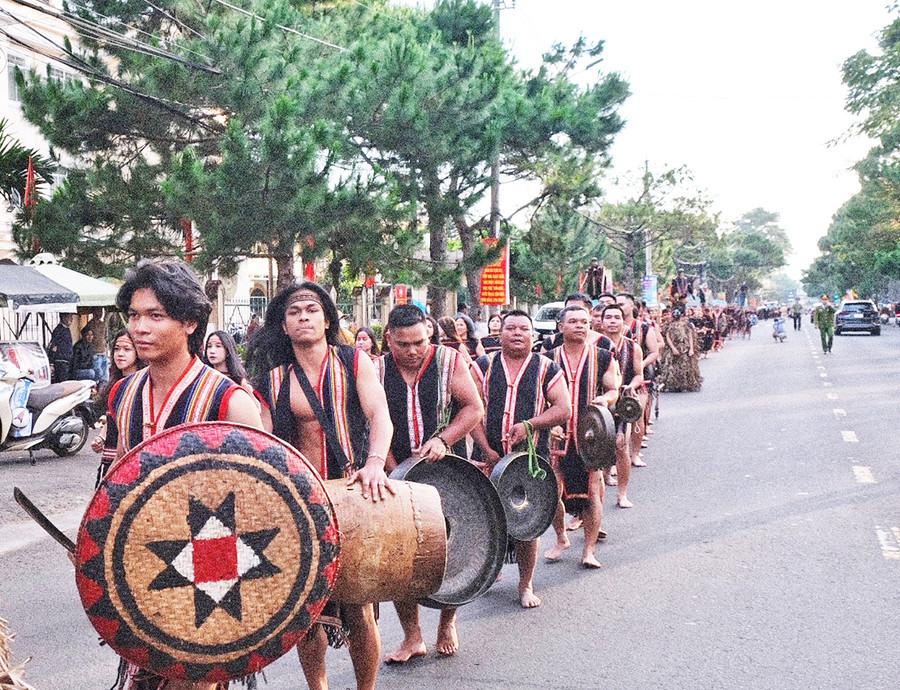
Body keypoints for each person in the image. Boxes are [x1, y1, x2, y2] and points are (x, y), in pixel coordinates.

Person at [107, 260, 263, 690]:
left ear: (190, 321)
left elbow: (266, 505)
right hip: (142, 566)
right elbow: (120, 481)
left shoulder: (230, 401)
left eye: (156, 316)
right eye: (134, 315)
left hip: (216, 571)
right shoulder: (124, 393)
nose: (140, 328)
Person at [247, 281, 393, 690]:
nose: (304, 317)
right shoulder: (273, 380)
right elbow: (262, 440)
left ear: (327, 319)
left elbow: (380, 416)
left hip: (351, 496)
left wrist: (376, 464)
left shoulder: (354, 362)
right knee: (304, 615)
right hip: (300, 504)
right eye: (295, 312)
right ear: (285, 325)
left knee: (360, 608)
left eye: (312, 309)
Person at [374, 304, 483, 663]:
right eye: (402, 344)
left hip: (449, 472)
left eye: (419, 342)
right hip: (394, 473)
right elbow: (371, 421)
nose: (411, 350)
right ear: (389, 337)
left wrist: (444, 440)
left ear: (429, 334)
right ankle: (412, 635)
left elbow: (472, 408)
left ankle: (447, 622)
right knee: (401, 557)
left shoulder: (450, 361)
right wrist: (392, 467)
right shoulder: (374, 368)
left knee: (452, 548)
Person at [469, 310, 571, 608]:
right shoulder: (483, 366)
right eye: (510, 328)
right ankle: (489, 571)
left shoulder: (546, 368)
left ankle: (526, 585)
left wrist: (531, 425)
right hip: (486, 457)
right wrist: (485, 447)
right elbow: (471, 410)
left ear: (532, 335)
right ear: (499, 334)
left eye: (523, 329)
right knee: (487, 518)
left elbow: (563, 408)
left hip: (529, 460)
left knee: (529, 523)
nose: (516, 333)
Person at [544, 306, 619, 568]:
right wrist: (547, 420)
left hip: (590, 436)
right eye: (573, 321)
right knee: (551, 493)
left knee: (593, 493)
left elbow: (613, 390)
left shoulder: (603, 356)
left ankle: (589, 550)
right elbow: (539, 397)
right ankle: (561, 537)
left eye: (585, 322)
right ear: (561, 326)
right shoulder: (547, 358)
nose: (580, 326)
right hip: (557, 436)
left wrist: (605, 399)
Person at [599, 304, 643, 509]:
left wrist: (631, 386)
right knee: (595, 448)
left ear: (623, 321)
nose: (613, 321)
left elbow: (638, 374)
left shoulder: (633, 347)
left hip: (621, 404)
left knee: (621, 445)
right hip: (599, 403)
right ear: (601, 321)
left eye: (617, 317)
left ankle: (622, 493)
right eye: (609, 317)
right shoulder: (595, 345)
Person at [90, 329, 145, 487]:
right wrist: (101, 437)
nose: (120, 354)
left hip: (130, 458)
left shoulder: (144, 384)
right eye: (117, 349)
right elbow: (113, 418)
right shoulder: (115, 383)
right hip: (111, 453)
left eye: (127, 349)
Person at [658, 309, 702, 392]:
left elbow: (690, 337)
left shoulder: (686, 325)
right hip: (673, 349)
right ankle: (672, 385)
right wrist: (673, 348)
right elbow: (668, 337)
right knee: (671, 367)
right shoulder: (669, 325)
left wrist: (691, 349)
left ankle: (685, 385)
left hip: (685, 348)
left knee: (685, 366)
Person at [204, 330, 255, 398]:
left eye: (218, 346)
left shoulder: (240, 382)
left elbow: (256, 407)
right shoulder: (204, 378)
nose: (212, 351)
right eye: (209, 346)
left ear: (228, 351)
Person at [47, 312, 74, 383]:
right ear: (64, 317)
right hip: (60, 361)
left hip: (67, 361)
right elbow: (53, 347)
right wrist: (51, 363)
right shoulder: (58, 330)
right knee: (62, 382)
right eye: (69, 317)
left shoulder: (67, 329)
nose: (71, 319)